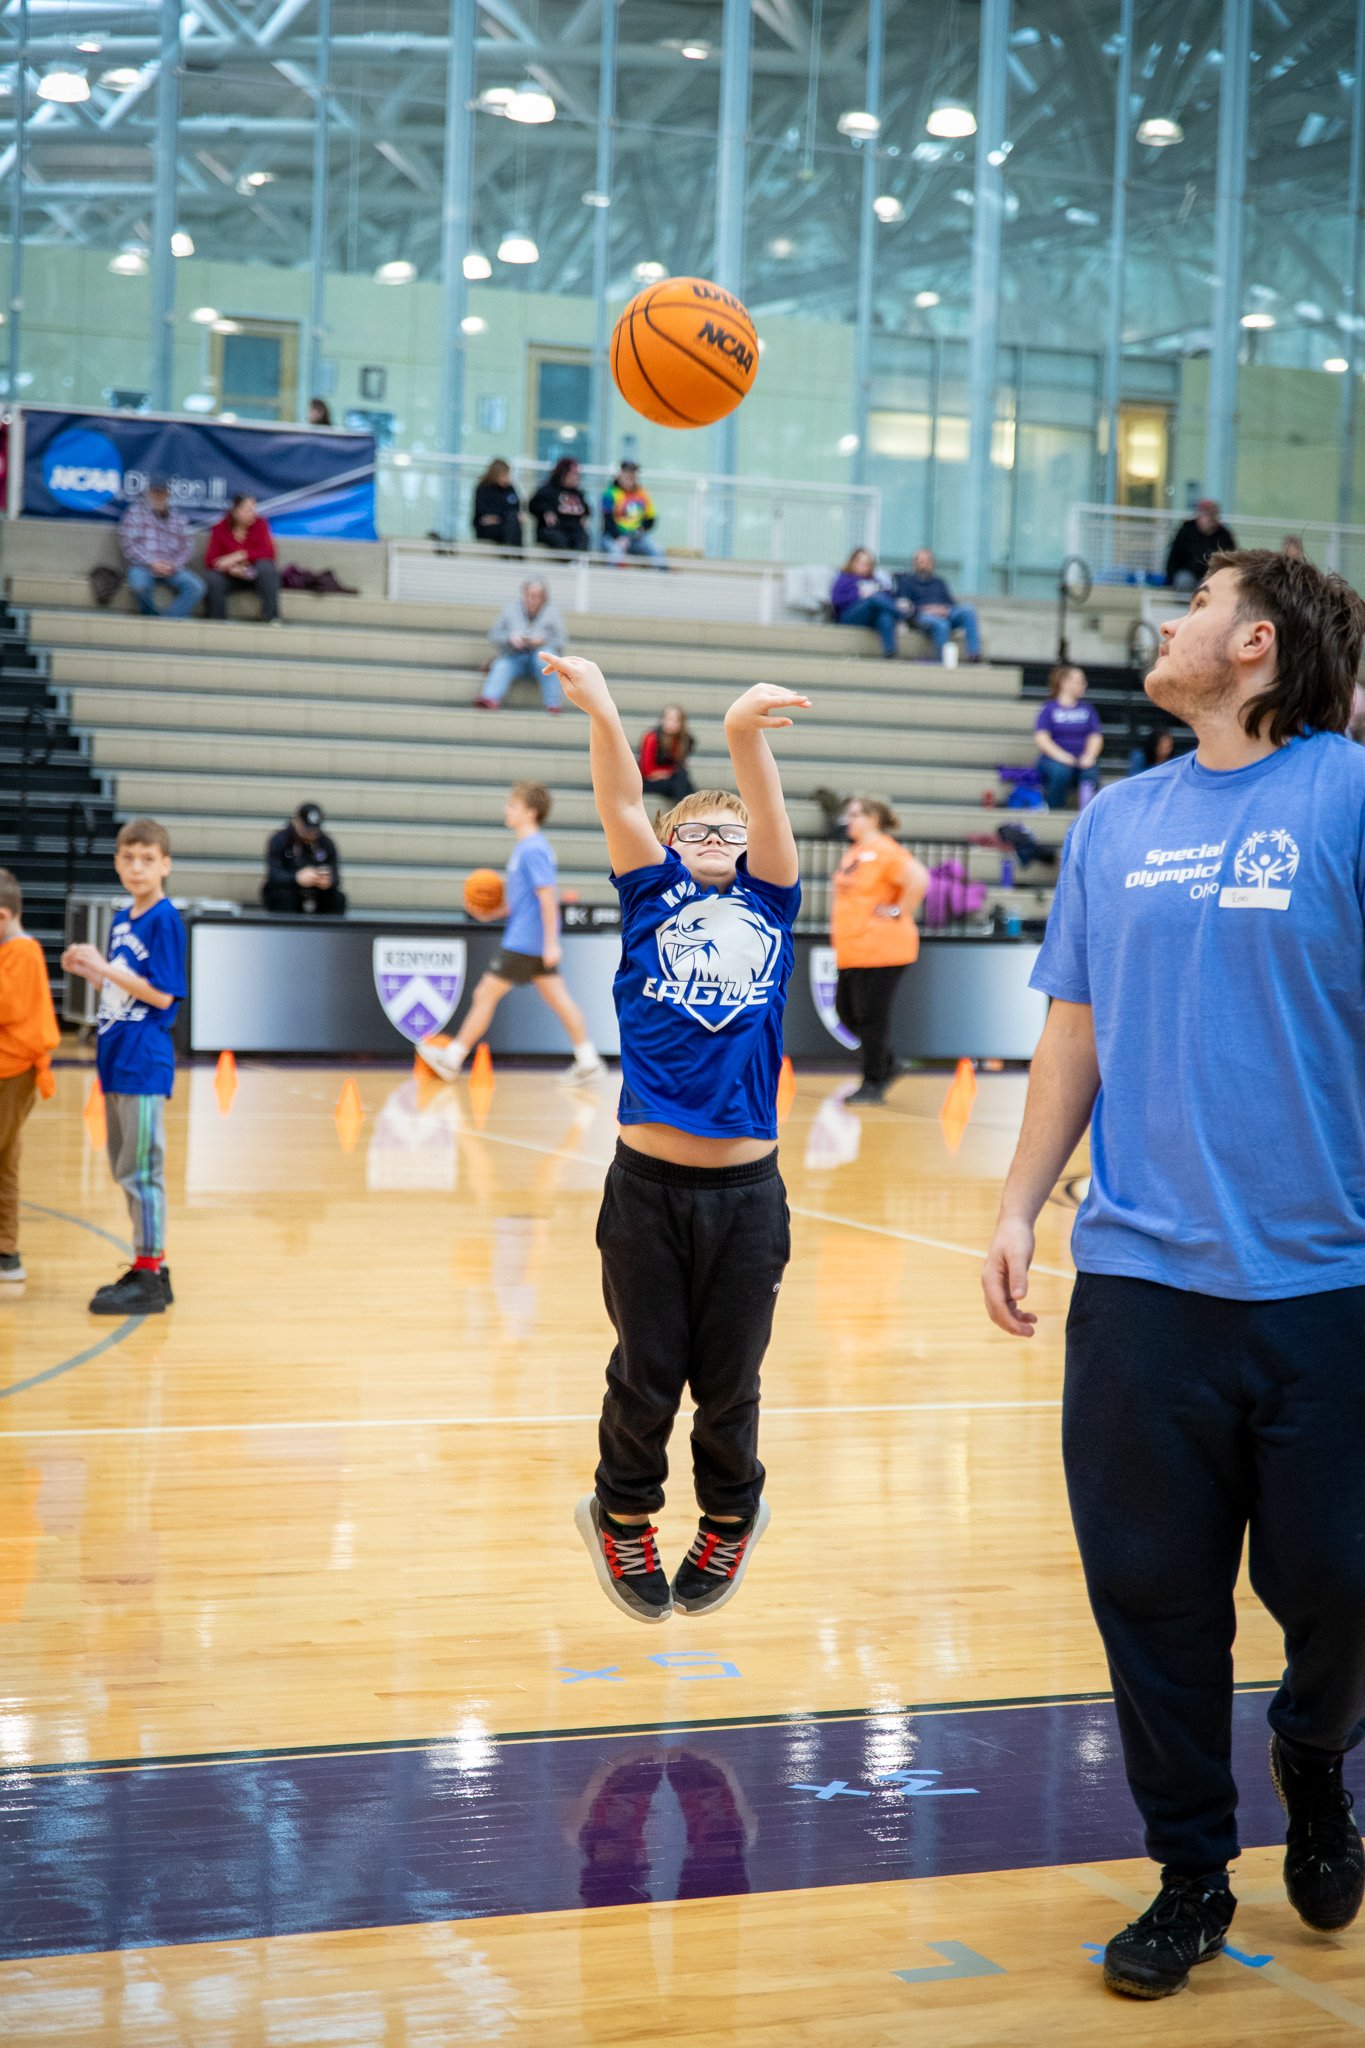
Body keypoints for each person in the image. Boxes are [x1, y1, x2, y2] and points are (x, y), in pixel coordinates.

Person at [982, 548, 1365, 2002]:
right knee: (1151, 1599)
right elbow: (1072, 1031)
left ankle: (1315, 1749)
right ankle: (1192, 1869)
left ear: (1257, 642)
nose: (1170, 620)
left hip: (1331, 1284)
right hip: (1141, 1284)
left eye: (1198, 603)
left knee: (1345, 1585)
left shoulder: (1348, 794)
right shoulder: (1116, 819)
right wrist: (1018, 1205)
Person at [539, 646, 809, 1624]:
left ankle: (732, 1517)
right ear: (666, 843)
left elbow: (766, 813)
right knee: (646, 1375)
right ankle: (619, 1516)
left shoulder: (771, 900)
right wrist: (603, 710)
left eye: (730, 827)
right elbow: (619, 801)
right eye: (693, 827)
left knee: (729, 1383)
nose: (717, 835)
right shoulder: (649, 897)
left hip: (747, 1196)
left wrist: (740, 737)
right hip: (647, 1190)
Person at [62, 819, 187, 1317]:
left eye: (148, 860)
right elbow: (124, 989)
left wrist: (104, 966)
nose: (137, 868)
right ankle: (153, 1265)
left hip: (143, 1061)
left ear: (165, 865)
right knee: (124, 1167)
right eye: (128, 858)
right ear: (117, 862)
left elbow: (161, 995)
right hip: (116, 1057)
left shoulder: (164, 920)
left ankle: (149, 1276)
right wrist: (94, 972)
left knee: (141, 1171)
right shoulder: (122, 919)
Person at [416, 784, 601, 1084]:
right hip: (530, 939)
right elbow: (521, 900)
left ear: (530, 812)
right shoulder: (526, 847)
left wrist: (552, 943)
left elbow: (547, 897)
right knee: (559, 999)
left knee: (485, 994)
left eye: (513, 805)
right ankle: (588, 1060)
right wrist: (490, 914)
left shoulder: (533, 849)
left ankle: (451, 1059)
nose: (507, 810)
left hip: (525, 941)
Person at [831, 799, 929, 1105]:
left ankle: (873, 1081)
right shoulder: (856, 851)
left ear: (873, 818)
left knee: (871, 1017)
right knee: (846, 1013)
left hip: (881, 948)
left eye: (854, 814)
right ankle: (887, 1064)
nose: (848, 820)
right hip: (854, 949)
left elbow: (919, 878)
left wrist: (899, 910)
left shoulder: (885, 850)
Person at [0, 870, 59, 1286]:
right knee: (5, 1160)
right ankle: (6, 1252)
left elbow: (6, 1006)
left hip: (13, 1073)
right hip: (10, 1071)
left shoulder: (21, 952)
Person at [118, 479, 205, 620]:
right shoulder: (134, 513)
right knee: (139, 587)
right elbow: (128, 544)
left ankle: (167, 620)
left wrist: (173, 565)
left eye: (162, 493)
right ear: (148, 493)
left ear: (168, 494)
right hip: (143, 566)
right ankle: (151, 618)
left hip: (172, 568)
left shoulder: (179, 517)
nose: (158, 496)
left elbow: (188, 547)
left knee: (196, 587)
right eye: (155, 493)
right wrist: (151, 562)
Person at [474, 581, 567, 712]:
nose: (531, 599)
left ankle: (553, 704)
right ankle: (489, 699)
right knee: (502, 665)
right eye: (528, 595)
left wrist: (543, 641)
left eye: (535, 596)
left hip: (540, 657)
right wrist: (510, 638)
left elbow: (561, 641)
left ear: (543, 598)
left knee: (547, 661)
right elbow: (494, 635)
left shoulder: (553, 614)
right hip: (515, 654)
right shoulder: (510, 610)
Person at [893, 548, 983, 663]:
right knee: (942, 624)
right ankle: (943, 661)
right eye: (921, 562)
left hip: (944, 613)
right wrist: (928, 610)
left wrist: (945, 610)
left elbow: (952, 603)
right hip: (921, 616)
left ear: (932, 564)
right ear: (914, 563)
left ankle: (974, 654)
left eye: (927, 562)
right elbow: (904, 607)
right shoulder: (906, 581)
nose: (924, 565)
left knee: (968, 610)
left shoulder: (939, 582)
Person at [1034, 664, 1104, 809]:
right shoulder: (1049, 708)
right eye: (1080, 681)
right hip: (1053, 760)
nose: (1084, 685)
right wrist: (1062, 756)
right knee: (1060, 772)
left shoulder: (1087, 709)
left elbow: (1095, 737)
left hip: (1081, 759)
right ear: (1065, 682)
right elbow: (1042, 738)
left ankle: (1087, 813)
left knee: (1090, 773)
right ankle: (1054, 810)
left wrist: (1089, 756)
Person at [204, 494, 280, 624]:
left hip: (254, 575)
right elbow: (210, 560)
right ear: (235, 512)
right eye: (248, 510)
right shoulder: (220, 528)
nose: (252, 513)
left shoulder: (260, 524)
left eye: (253, 509)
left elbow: (269, 552)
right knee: (212, 578)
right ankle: (217, 621)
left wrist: (240, 555)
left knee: (266, 567)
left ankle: (271, 618)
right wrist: (231, 568)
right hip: (232, 577)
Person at [262, 803, 346, 915]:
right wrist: (297, 878)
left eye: (314, 830)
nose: (311, 834)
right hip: (289, 889)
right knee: (282, 896)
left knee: (337, 898)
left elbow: (336, 877)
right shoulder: (280, 840)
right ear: (297, 821)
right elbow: (274, 875)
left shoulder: (326, 843)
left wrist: (327, 881)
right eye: (307, 829)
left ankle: (330, 926)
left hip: (317, 892)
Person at [829, 549, 914, 659]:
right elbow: (836, 601)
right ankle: (903, 616)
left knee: (884, 615)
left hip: (871, 617)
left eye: (868, 564)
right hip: (849, 616)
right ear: (853, 563)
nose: (866, 567)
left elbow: (888, 597)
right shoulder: (844, 578)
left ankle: (890, 652)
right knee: (874, 598)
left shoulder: (875, 580)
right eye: (862, 563)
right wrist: (859, 595)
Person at [601, 461, 666, 565]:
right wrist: (618, 537)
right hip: (615, 536)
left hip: (637, 536)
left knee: (657, 549)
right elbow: (608, 520)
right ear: (620, 475)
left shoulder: (642, 493)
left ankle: (663, 575)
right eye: (627, 473)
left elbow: (651, 518)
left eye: (633, 473)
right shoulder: (610, 493)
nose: (631, 476)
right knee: (616, 552)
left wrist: (641, 529)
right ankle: (612, 575)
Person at [1164, 499, 1236, 591]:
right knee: (1184, 581)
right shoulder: (1186, 530)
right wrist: (1171, 576)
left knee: (1209, 585)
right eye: (1206, 514)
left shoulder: (1224, 535)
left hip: (1211, 576)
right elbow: (1174, 556)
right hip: (1187, 574)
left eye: (1213, 514)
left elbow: (1230, 560)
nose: (1210, 518)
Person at [530, 458, 590, 552]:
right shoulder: (548, 490)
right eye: (573, 474)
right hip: (554, 529)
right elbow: (533, 505)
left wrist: (585, 516)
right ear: (563, 474)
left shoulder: (577, 493)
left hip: (574, 529)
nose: (576, 477)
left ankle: (576, 559)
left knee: (582, 538)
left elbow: (585, 509)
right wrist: (546, 512)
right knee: (559, 539)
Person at [638, 705, 695, 804]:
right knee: (680, 780)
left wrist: (672, 773)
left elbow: (680, 765)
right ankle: (687, 809)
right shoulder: (652, 737)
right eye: (668, 719)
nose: (671, 723)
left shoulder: (685, 740)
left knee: (685, 782)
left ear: (682, 723)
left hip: (670, 779)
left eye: (675, 720)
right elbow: (648, 771)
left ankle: (692, 806)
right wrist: (669, 773)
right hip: (649, 781)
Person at [471, 459, 523, 548]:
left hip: (506, 524)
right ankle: (512, 553)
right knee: (511, 526)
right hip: (488, 527)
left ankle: (513, 552)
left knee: (512, 524)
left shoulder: (509, 489)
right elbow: (482, 511)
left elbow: (515, 507)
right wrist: (504, 516)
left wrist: (500, 517)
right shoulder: (483, 489)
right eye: (503, 475)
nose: (506, 477)